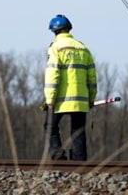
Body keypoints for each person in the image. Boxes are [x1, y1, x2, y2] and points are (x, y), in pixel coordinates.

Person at [42, 14, 97, 161]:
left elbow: (52, 75)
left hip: (60, 98)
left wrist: (50, 99)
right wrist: (91, 98)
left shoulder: (55, 48)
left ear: (54, 32)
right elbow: (92, 78)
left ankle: (59, 157)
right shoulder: (83, 48)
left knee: (49, 126)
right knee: (78, 131)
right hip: (80, 100)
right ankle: (80, 163)